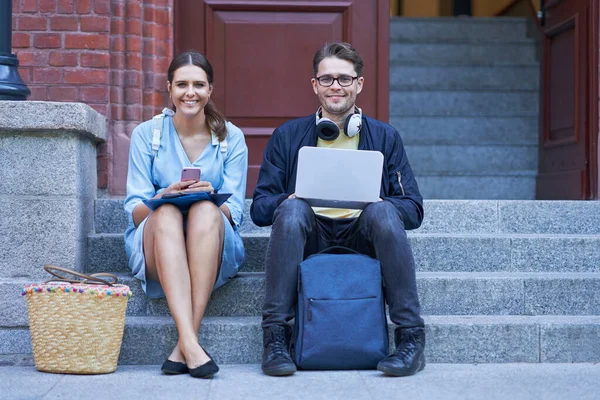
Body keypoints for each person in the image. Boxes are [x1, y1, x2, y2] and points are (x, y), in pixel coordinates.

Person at [251, 42, 425, 377]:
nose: (336, 86)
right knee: (291, 211)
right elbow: (260, 208)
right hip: (308, 236)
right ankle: (275, 337)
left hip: (364, 236)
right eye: (327, 78)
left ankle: (411, 339)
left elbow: (413, 209)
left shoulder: (386, 137)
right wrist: (288, 199)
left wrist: (382, 203)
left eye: (345, 79)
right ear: (314, 84)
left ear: (359, 84)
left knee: (384, 212)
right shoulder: (287, 136)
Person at [124, 51, 248, 379]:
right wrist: (162, 195)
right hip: (158, 245)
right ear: (169, 89)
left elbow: (235, 213)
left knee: (206, 209)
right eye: (182, 84)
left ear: (210, 90)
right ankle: (192, 344)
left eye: (198, 85)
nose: (189, 92)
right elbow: (135, 214)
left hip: (212, 242)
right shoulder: (146, 136)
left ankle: (185, 347)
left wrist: (208, 196)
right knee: (164, 214)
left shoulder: (230, 138)